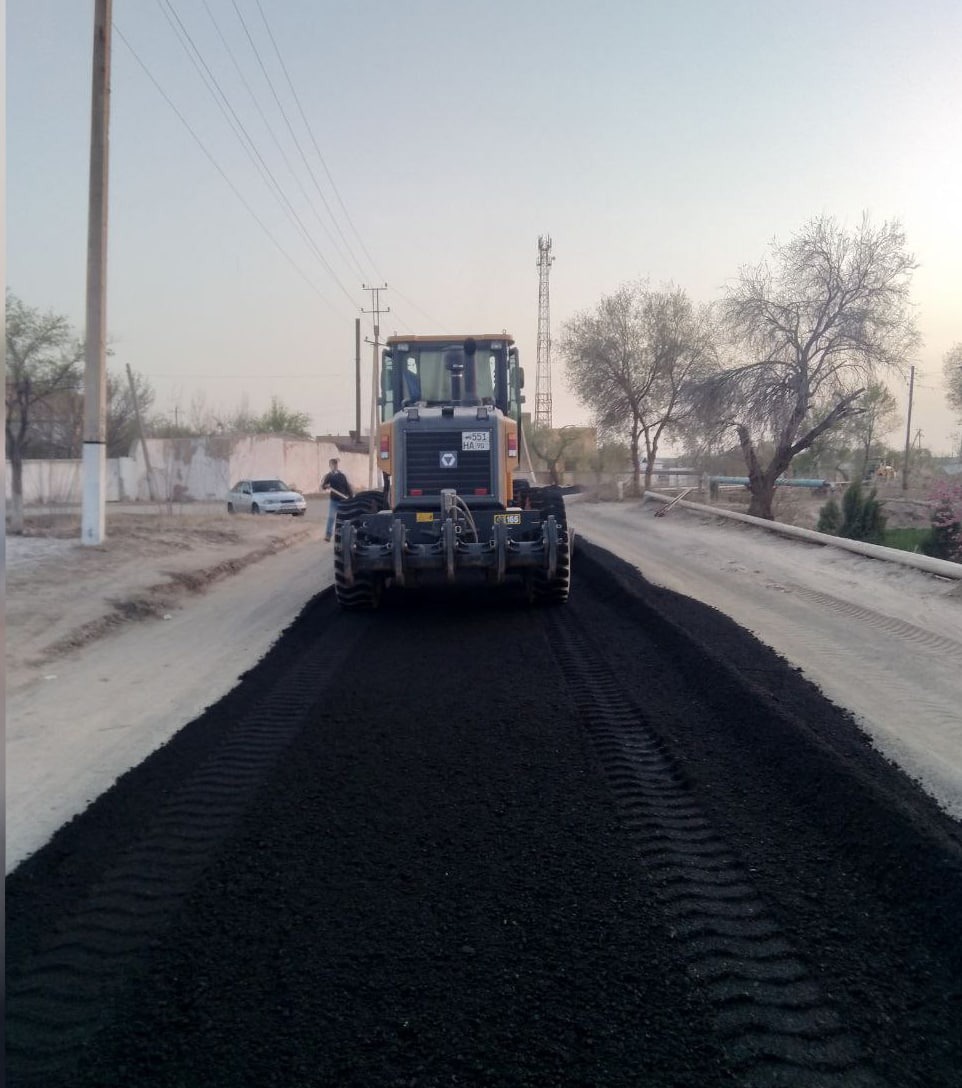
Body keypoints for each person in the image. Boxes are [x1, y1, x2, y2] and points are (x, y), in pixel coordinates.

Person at [320, 457, 353, 541]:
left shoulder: (342, 476)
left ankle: (344, 535)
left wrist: (351, 497)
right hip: (333, 500)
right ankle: (328, 535)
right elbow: (323, 486)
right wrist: (326, 486)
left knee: (343, 518)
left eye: (332, 464)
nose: (331, 466)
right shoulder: (329, 476)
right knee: (331, 517)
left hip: (343, 500)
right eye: (330, 465)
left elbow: (347, 487)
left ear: (336, 465)